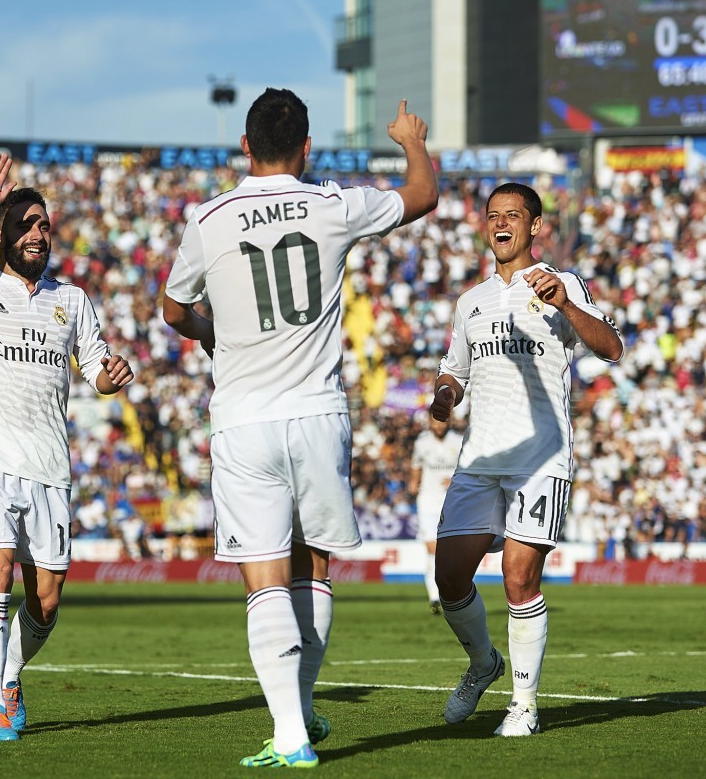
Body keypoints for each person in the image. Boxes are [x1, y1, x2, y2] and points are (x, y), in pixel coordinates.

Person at [162, 88, 437, 768]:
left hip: (245, 418)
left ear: (245, 146)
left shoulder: (210, 217)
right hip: (316, 412)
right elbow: (422, 194)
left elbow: (172, 310)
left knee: (264, 579)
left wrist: (211, 334)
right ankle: (301, 713)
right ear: (308, 147)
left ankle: (289, 733)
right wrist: (409, 139)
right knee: (313, 566)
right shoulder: (332, 203)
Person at [0, 153, 134, 742]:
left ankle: (9, 675)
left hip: (49, 466)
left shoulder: (74, 301)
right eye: (26, 224)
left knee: (47, 598)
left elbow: (96, 372)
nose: (38, 233)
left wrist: (112, 375)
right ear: (1, 236)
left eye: (44, 225)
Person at [429, 182, 623, 737]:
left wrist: (564, 303)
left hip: (540, 459)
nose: (500, 223)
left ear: (535, 226)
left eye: (512, 215)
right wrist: (445, 394)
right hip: (480, 458)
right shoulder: (472, 301)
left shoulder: (561, 286)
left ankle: (524, 706)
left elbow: (611, 347)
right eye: (493, 216)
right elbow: (455, 370)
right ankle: (484, 662)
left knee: (519, 579)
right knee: (449, 578)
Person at [409, 412, 462, 615]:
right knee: (432, 548)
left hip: (453, 500)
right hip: (428, 500)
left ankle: (454, 594)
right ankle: (434, 597)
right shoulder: (421, 443)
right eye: (435, 421)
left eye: (442, 422)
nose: (439, 426)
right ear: (430, 422)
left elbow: (468, 468)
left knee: (453, 550)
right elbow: (416, 466)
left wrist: (454, 480)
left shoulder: (458, 441)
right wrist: (414, 482)